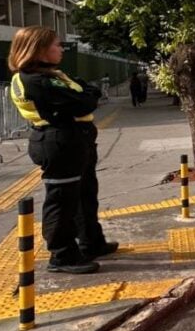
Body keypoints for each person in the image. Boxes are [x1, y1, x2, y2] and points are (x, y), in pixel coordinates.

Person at [8, 26, 118, 274]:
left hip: (75, 139)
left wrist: (88, 92)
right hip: (58, 141)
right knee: (62, 200)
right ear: (39, 49)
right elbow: (83, 102)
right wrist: (89, 93)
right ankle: (62, 255)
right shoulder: (37, 80)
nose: (61, 49)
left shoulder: (50, 75)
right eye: (56, 45)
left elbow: (84, 91)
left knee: (84, 194)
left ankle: (91, 242)